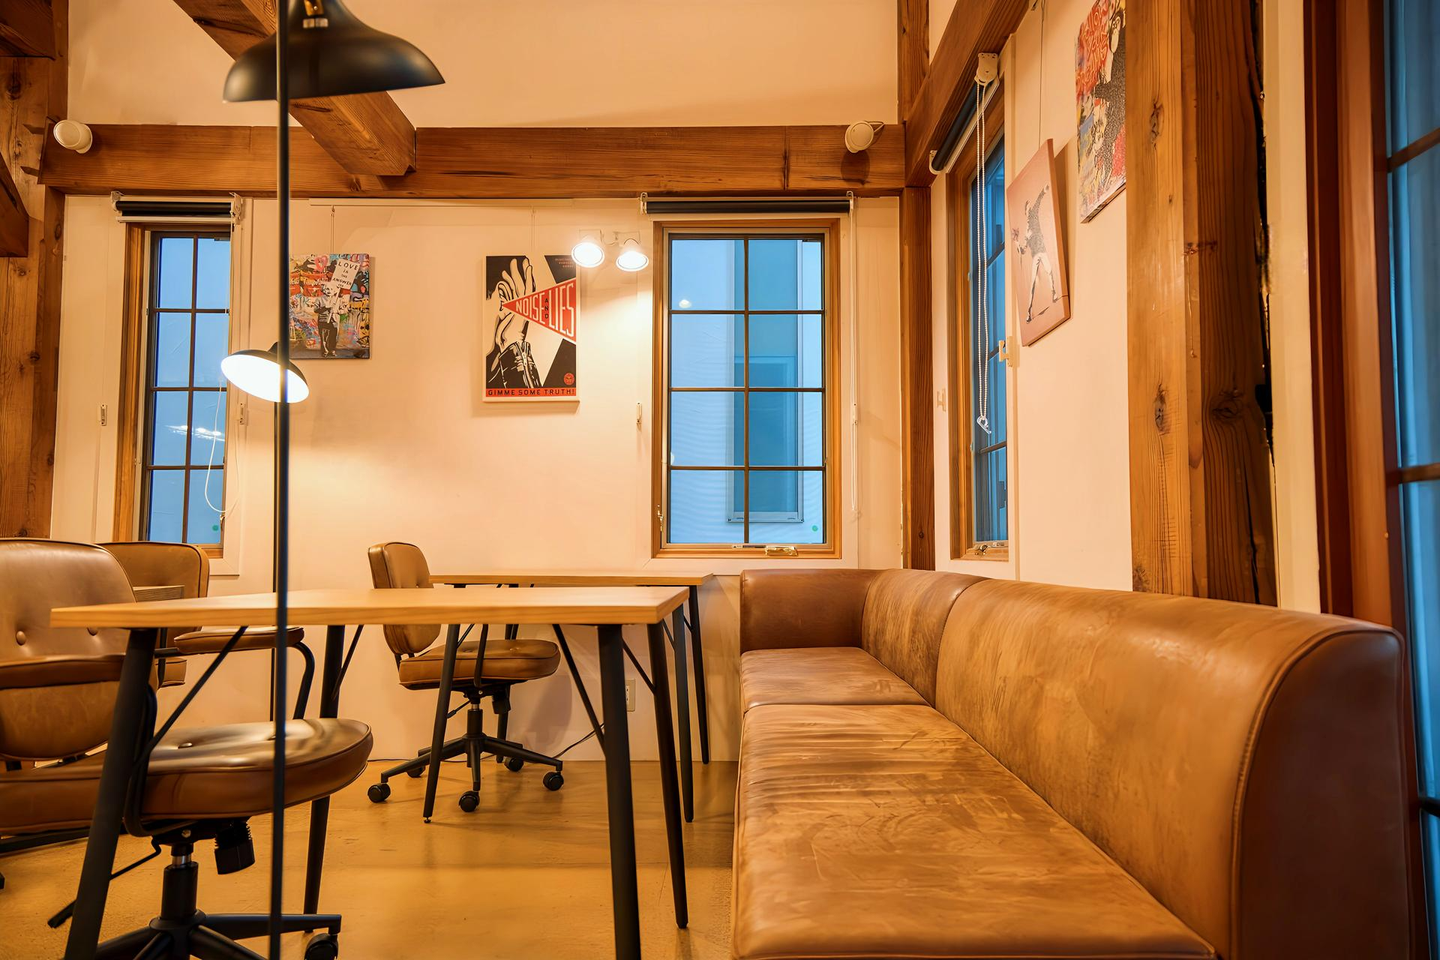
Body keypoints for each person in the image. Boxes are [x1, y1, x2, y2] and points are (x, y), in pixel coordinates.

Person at [1013, 185, 1058, 323]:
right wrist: (1016, 243)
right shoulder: (1026, 232)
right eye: (1028, 210)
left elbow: (1038, 201)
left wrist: (1043, 191)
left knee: (1050, 271)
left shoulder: (1035, 217)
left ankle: (1053, 292)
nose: (1030, 211)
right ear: (1025, 213)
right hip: (1035, 256)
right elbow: (1023, 250)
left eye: (1030, 209)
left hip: (1042, 251)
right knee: (1032, 282)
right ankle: (1028, 311)